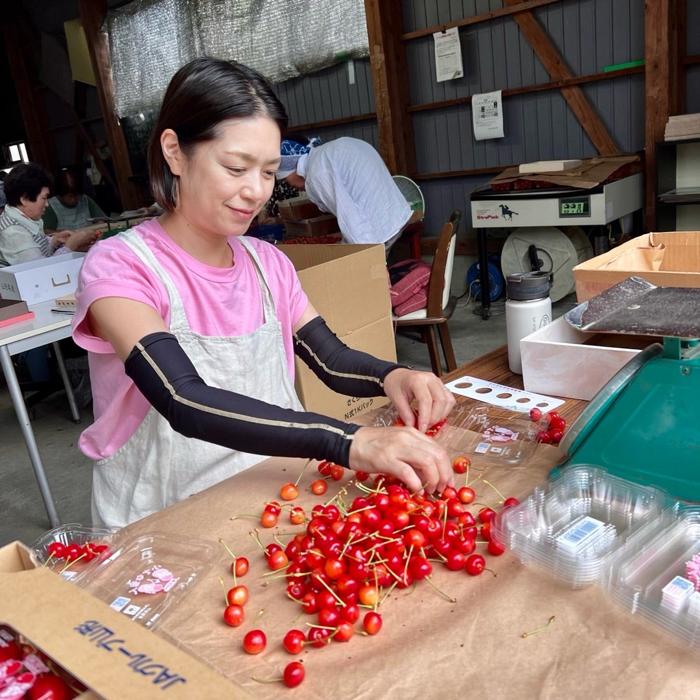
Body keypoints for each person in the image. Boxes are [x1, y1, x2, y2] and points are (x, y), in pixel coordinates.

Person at [72, 57, 454, 529]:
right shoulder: (121, 265)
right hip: (161, 516)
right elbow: (183, 399)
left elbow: (329, 358)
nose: (255, 191)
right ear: (174, 151)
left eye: (269, 172)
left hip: (267, 494)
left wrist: (392, 376)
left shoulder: (266, 262)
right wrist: (347, 441)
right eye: (236, 167)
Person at [276, 136, 412, 250]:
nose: (291, 186)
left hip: (381, 229)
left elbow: (350, 216)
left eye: (286, 180)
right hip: (397, 214)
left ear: (293, 168)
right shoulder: (332, 150)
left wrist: (361, 255)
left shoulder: (317, 172)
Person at [0, 163, 99, 267]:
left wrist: (54, 241)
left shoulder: (24, 219)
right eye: (44, 198)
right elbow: (41, 269)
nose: (47, 204)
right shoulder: (13, 231)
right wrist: (70, 246)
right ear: (24, 199)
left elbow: (37, 247)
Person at [43, 167, 107, 232]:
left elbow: (101, 220)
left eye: (77, 195)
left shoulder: (85, 200)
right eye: (70, 196)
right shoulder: (50, 206)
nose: (74, 199)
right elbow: (47, 231)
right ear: (60, 194)